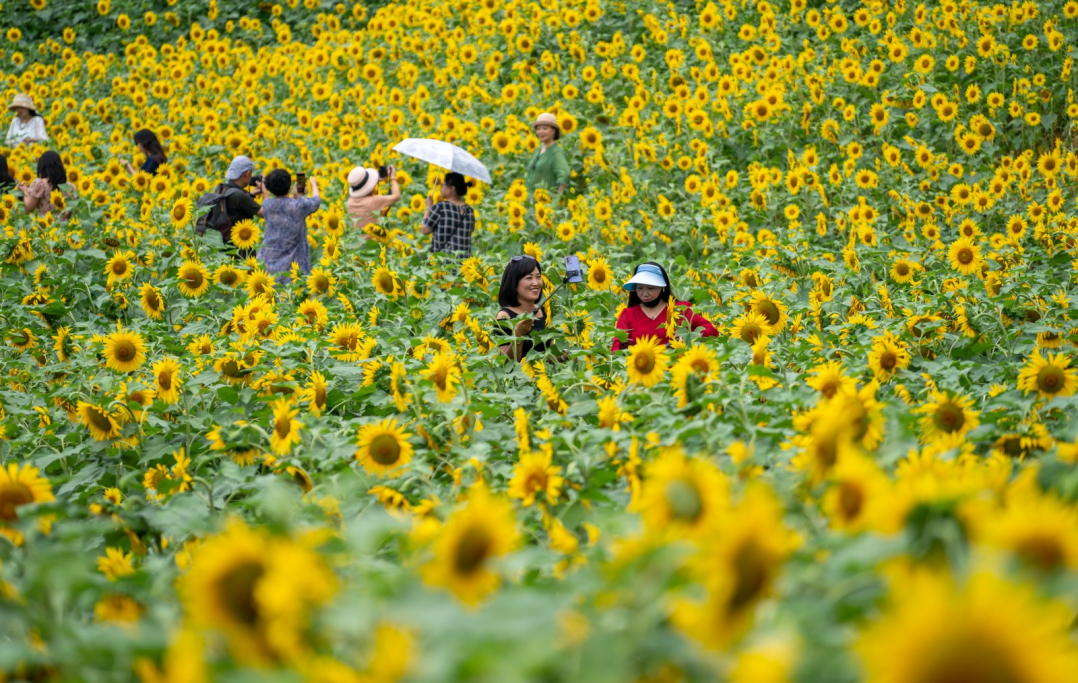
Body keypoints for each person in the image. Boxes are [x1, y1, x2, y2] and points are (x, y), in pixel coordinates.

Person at [611, 262, 718, 351]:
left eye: (650, 288)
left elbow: (711, 330)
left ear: (662, 288)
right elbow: (618, 350)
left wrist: (690, 337)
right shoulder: (628, 315)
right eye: (640, 288)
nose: (644, 293)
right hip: (644, 372)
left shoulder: (680, 309)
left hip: (677, 370)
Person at [258, 169, 321, 285]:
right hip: (292, 267)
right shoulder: (300, 206)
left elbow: (281, 204)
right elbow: (316, 201)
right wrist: (313, 185)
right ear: (289, 184)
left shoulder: (267, 205)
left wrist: (295, 196)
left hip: (268, 262)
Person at [494, 255, 550, 362]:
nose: (535, 283)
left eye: (538, 277)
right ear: (514, 283)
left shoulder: (543, 311)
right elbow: (506, 363)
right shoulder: (505, 316)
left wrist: (566, 356)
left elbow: (548, 355)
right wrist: (518, 335)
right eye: (529, 278)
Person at [421, 172, 475, 259]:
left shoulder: (440, 207)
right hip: (464, 265)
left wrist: (428, 207)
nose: (441, 188)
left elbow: (425, 229)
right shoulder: (469, 210)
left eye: (442, 185)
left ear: (452, 188)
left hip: (443, 264)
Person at [218, 155, 264, 251]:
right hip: (241, 247)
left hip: (225, 245)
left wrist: (251, 195)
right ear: (247, 173)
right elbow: (264, 213)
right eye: (251, 174)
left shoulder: (223, 188)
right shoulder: (239, 196)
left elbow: (236, 206)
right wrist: (266, 192)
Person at [18, 151, 77, 220]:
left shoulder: (40, 183)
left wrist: (24, 190)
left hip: (46, 227)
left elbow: (29, 208)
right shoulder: (71, 187)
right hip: (65, 229)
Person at [525, 112, 570, 201]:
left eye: (545, 128)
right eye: (538, 129)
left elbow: (564, 175)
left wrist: (556, 201)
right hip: (531, 199)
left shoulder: (556, 152)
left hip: (544, 202)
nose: (541, 132)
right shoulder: (538, 149)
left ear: (553, 131)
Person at [345, 164, 399, 235]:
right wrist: (392, 178)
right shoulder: (375, 201)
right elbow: (396, 196)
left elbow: (363, 189)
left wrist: (376, 180)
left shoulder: (350, 202)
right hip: (373, 244)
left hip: (356, 243)